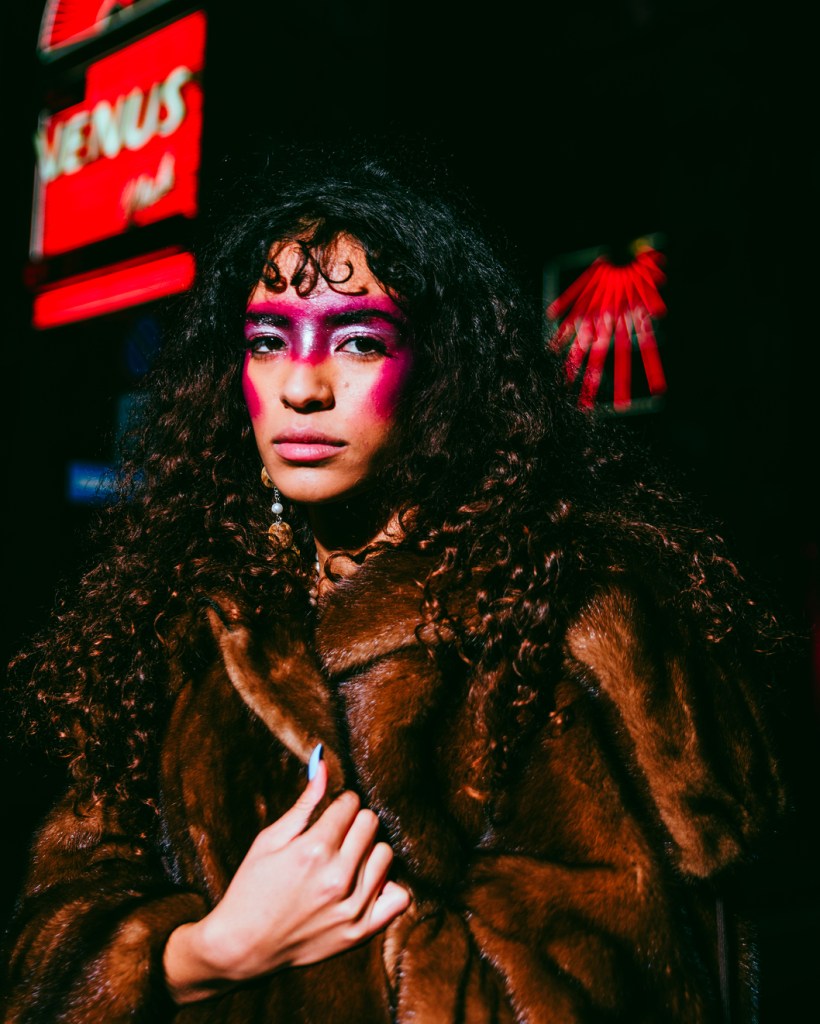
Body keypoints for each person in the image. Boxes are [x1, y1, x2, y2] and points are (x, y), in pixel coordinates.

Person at [0, 147, 788, 1022]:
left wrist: (312, 961)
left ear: (442, 373)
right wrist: (203, 953)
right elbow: (51, 939)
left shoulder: (555, 614)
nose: (302, 386)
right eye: (267, 342)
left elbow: (600, 977)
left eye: (360, 342)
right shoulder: (182, 619)